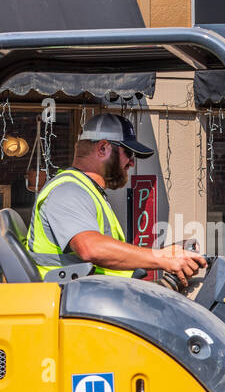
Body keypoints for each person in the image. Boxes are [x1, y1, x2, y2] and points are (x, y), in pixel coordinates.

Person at [27, 113, 205, 284]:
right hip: (72, 303)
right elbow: (91, 248)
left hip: (92, 298)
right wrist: (162, 257)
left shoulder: (87, 191)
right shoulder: (68, 191)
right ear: (103, 148)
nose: (132, 162)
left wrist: (166, 253)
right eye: (128, 152)